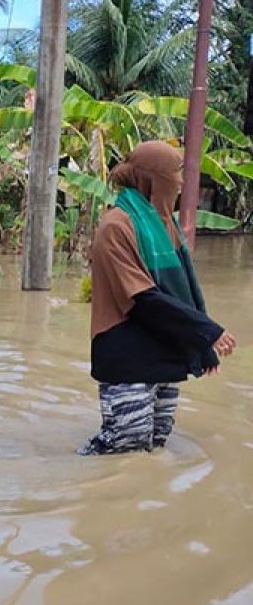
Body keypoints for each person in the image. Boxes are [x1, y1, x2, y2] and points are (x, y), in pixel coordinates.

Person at [79, 141, 237, 455]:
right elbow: (144, 300)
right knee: (121, 450)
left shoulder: (167, 226)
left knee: (155, 446)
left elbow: (183, 292)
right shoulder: (116, 226)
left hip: (163, 354)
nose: (180, 183)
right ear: (151, 180)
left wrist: (201, 346)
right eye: (174, 174)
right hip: (127, 356)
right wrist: (206, 331)